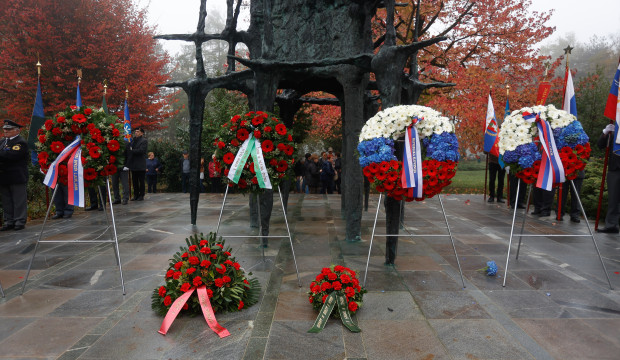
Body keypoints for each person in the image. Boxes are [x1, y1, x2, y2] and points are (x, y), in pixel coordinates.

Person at [0, 119, 29, 231]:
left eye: (9, 129)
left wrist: (3, 154)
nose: (6, 131)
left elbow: (12, 155)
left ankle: (19, 221)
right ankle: (9, 221)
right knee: (7, 201)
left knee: (18, 200)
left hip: (16, 176)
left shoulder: (20, 142)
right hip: (4, 177)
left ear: (17, 131)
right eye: (5, 129)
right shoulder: (3, 141)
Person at [597, 124, 620, 233]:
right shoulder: (613, 132)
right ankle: (611, 225)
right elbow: (600, 145)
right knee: (613, 199)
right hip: (614, 168)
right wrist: (605, 133)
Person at [127, 127, 147, 201]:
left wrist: (132, 151)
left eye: (138, 131)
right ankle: (136, 194)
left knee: (141, 181)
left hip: (140, 164)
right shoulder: (133, 141)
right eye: (135, 131)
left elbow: (141, 150)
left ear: (142, 133)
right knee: (134, 181)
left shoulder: (144, 141)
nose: (136, 133)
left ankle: (141, 194)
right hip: (133, 164)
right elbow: (129, 148)